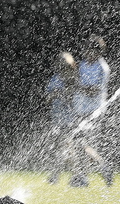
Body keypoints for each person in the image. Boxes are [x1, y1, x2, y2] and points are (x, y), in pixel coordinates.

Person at [68, 35, 113, 187]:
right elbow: (75, 83)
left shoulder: (102, 68)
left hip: (93, 112)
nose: (86, 53)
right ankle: (98, 169)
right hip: (80, 110)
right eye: (85, 50)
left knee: (81, 144)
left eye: (89, 50)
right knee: (80, 145)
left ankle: (86, 176)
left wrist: (81, 87)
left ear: (97, 52)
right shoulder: (81, 66)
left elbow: (95, 90)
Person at [45, 52, 77, 184]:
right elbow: (47, 99)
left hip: (70, 121)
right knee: (59, 149)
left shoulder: (74, 79)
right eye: (59, 65)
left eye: (64, 65)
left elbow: (74, 98)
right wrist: (53, 95)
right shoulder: (55, 79)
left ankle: (77, 175)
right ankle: (56, 175)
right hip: (57, 119)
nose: (61, 68)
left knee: (67, 149)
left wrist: (63, 93)